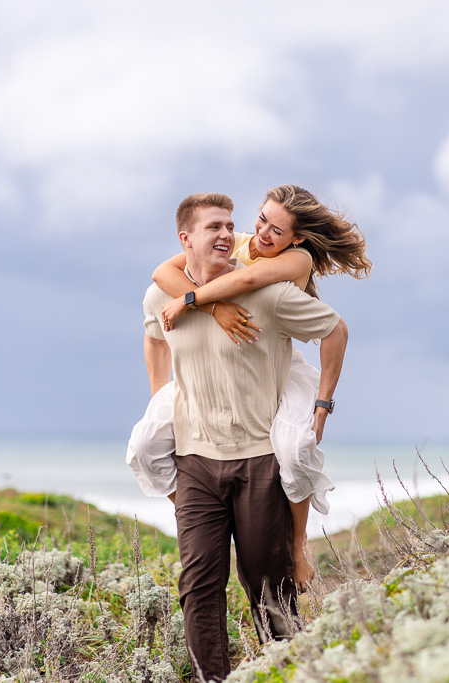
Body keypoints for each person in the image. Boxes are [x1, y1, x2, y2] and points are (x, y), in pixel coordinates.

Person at [141, 192, 349, 681]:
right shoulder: (162, 297)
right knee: (198, 586)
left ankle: (290, 671)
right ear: (185, 239)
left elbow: (335, 328)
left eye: (228, 225)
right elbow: (154, 334)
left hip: (258, 459)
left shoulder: (273, 290)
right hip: (193, 460)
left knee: (267, 589)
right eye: (215, 226)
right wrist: (161, 399)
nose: (229, 234)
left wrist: (322, 402)